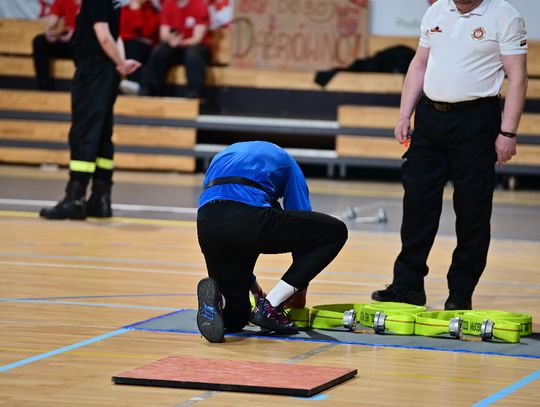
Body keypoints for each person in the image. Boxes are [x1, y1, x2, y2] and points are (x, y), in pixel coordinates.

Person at [371, 0, 528, 310]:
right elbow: (419, 65)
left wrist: (508, 132)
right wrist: (404, 115)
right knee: (417, 204)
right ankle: (407, 286)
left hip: (476, 121)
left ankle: (460, 292)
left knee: (472, 211)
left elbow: (518, 78)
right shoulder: (437, 10)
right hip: (430, 119)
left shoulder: (505, 16)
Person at [195, 141, 348, 343]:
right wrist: (297, 287)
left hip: (207, 224)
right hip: (248, 219)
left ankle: (220, 302)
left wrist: (254, 287)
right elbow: (302, 223)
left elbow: (230, 224)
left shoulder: (223, 156)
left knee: (237, 316)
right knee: (334, 232)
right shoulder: (288, 162)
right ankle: (270, 306)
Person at [39, 0, 141, 220]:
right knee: (102, 134)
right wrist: (120, 63)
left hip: (93, 70)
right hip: (107, 70)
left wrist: (120, 63)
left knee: (83, 132)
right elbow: (115, 36)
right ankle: (100, 199)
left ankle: (74, 198)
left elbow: (103, 36)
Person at [138, 0, 212, 98]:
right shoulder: (168, 4)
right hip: (175, 47)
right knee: (160, 50)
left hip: (197, 47)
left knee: (192, 54)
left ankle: (196, 92)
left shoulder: (199, 5)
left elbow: (197, 38)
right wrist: (172, 40)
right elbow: (163, 34)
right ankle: (148, 89)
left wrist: (181, 43)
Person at [32, 0, 81, 90]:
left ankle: (83, 86)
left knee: (80, 40)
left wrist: (75, 33)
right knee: (40, 41)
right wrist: (49, 32)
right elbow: (53, 19)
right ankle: (44, 87)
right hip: (68, 43)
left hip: (84, 43)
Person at [118, 0, 160, 94]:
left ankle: (134, 82)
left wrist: (136, 11)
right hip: (125, 47)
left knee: (132, 44)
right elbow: (119, 32)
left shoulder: (153, 11)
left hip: (147, 51)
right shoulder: (123, 10)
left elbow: (146, 32)